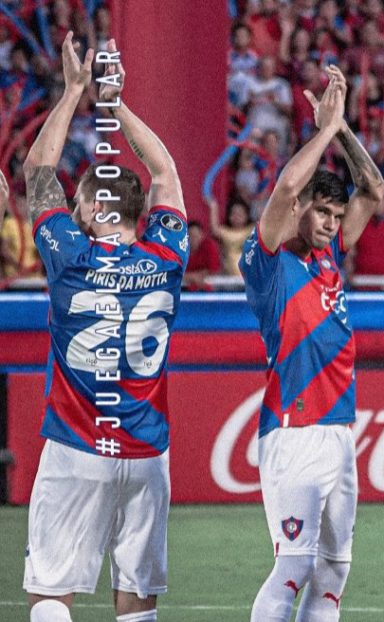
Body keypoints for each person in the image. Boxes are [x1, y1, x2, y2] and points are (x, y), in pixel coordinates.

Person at [22, 36, 188, 622]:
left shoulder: (69, 255)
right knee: (137, 595)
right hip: (146, 451)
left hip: (75, 445)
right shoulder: (167, 257)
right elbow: (164, 170)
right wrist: (116, 108)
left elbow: (37, 171)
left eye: (80, 203)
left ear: (95, 211)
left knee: (50, 591)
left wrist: (74, 92)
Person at [240, 66, 384, 622]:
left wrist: (344, 129)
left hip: (338, 430)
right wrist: (323, 131)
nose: (329, 222)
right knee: (294, 567)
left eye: (333, 214)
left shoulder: (328, 256)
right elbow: (283, 189)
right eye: (319, 211)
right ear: (299, 211)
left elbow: (373, 189)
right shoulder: (271, 263)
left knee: (333, 571)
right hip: (294, 430)